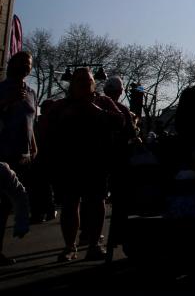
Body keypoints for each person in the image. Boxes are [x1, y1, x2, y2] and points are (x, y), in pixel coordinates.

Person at [46, 67, 123, 261]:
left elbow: (120, 122)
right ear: (72, 84)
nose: (84, 84)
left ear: (94, 84)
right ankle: (70, 247)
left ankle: (95, 244)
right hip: (69, 164)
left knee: (96, 203)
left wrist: (98, 112)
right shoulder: (61, 106)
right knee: (70, 205)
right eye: (79, 80)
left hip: (97, 162)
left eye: (88, 81)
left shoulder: (103, 102)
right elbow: (47, 130)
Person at [0, 51, 38, 266]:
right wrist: (8, 101)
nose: (25, 65)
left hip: (21, 156)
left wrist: (33, 147)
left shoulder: (31, 92)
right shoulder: (2, 88)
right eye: (21, 61)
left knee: (6, 206)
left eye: (29, 63)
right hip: (2, 153)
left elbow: (31, 121)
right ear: (11, 64)